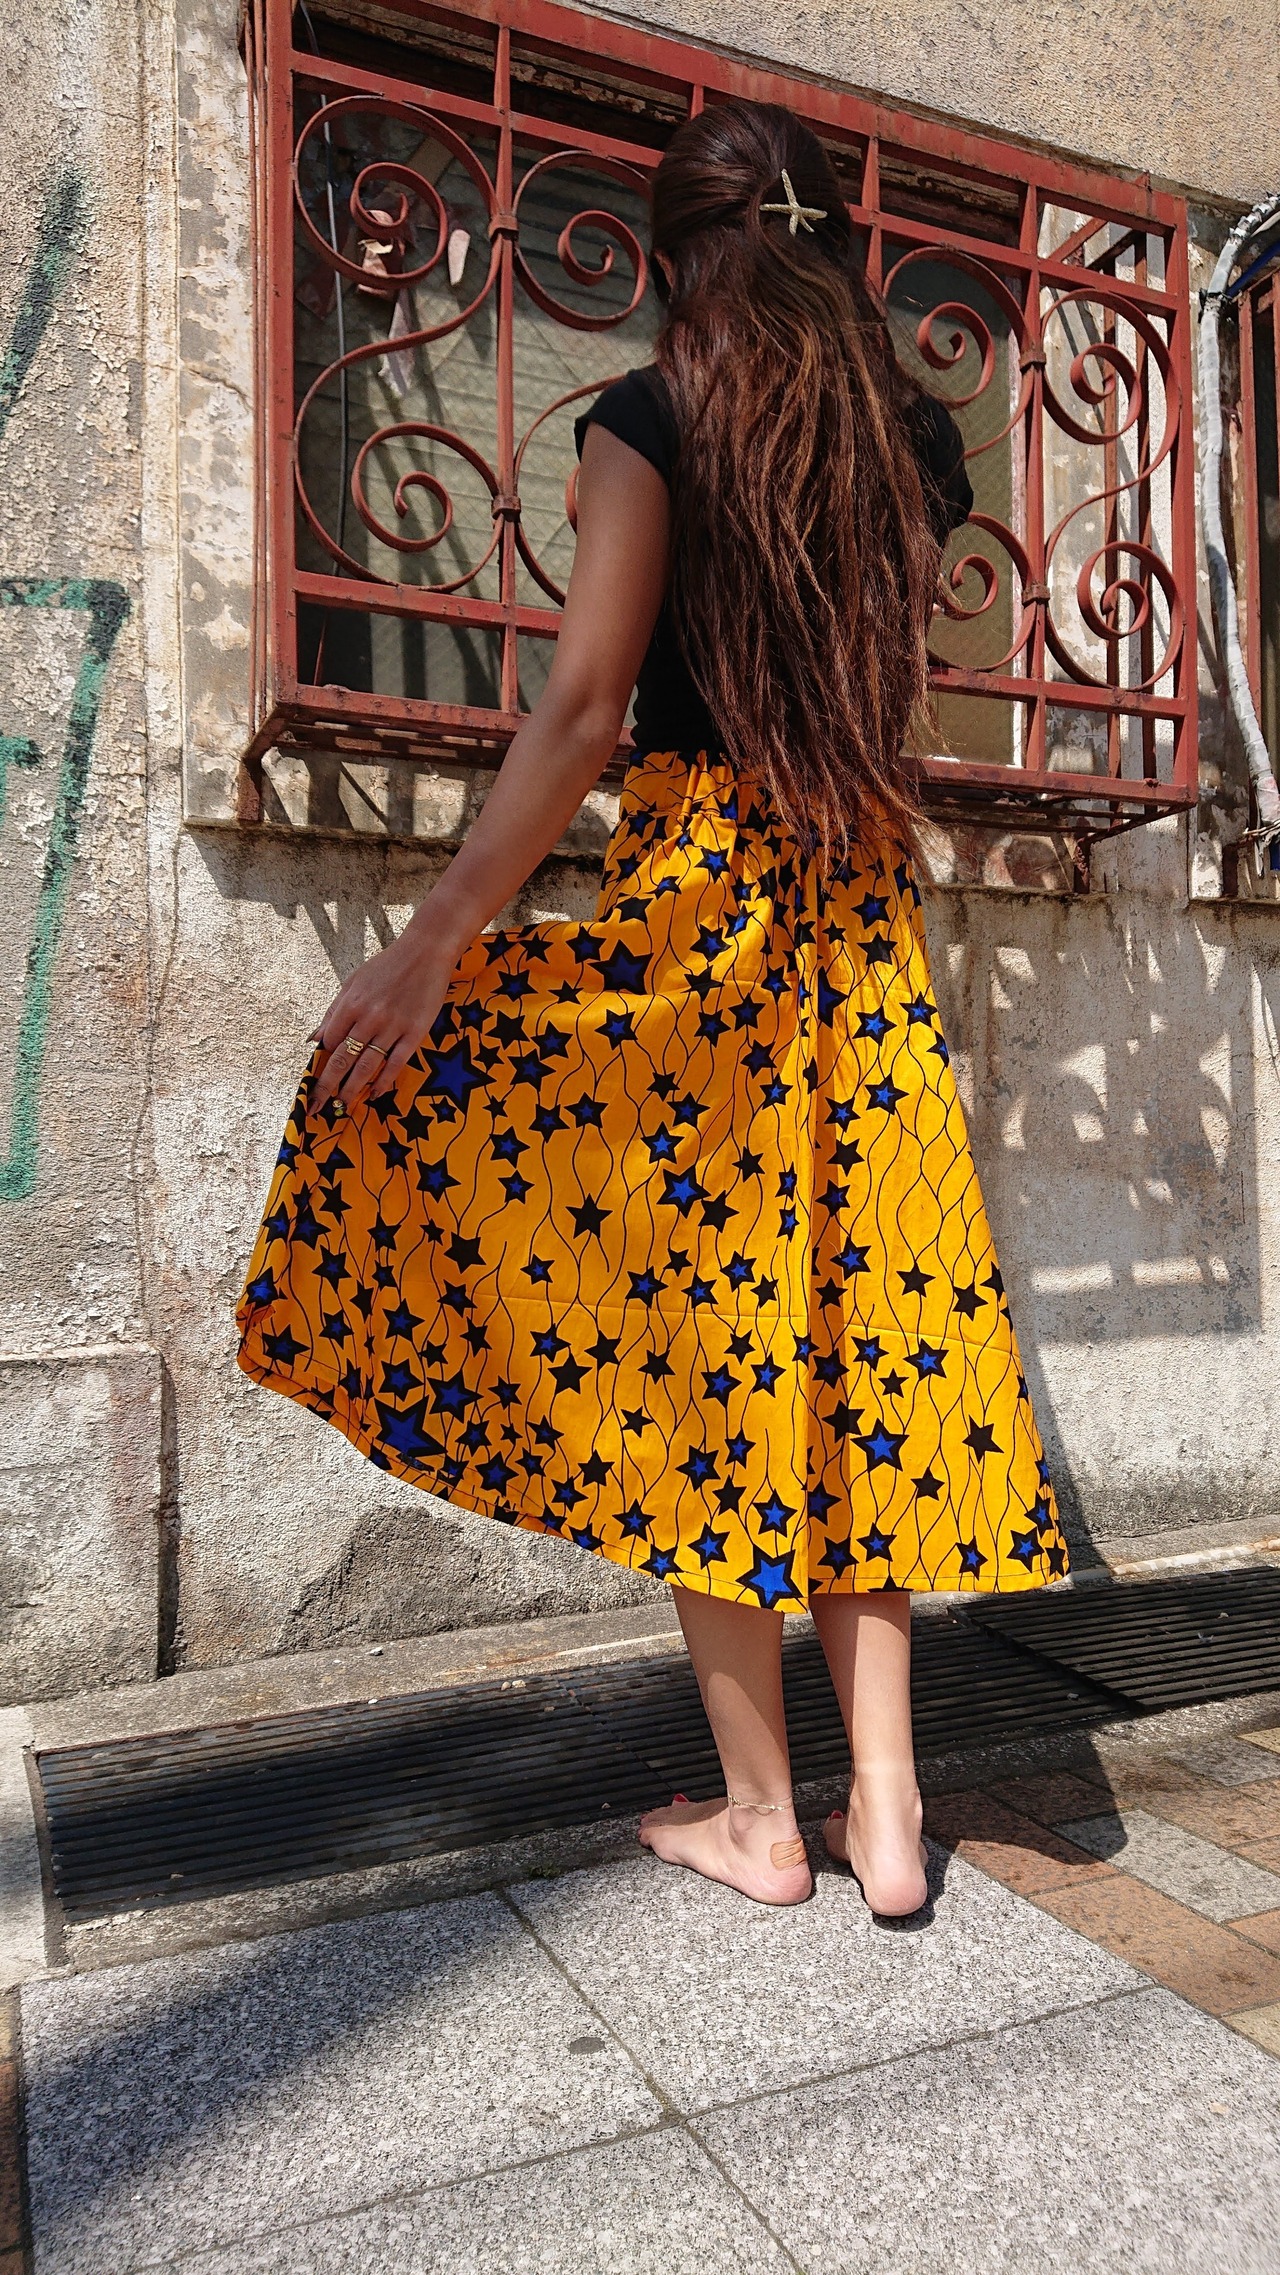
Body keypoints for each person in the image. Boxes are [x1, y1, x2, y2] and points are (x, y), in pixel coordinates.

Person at [238, 101, 1069, 1917]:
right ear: (830, 245)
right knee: (859, 1343)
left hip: (706, 907)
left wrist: (436, 936)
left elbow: (587, 707)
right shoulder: (914, 438)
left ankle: (764, 1817)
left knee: (709, 1352)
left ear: (686, 258)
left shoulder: (652, 415)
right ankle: (892, 1819)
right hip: (861, 918)